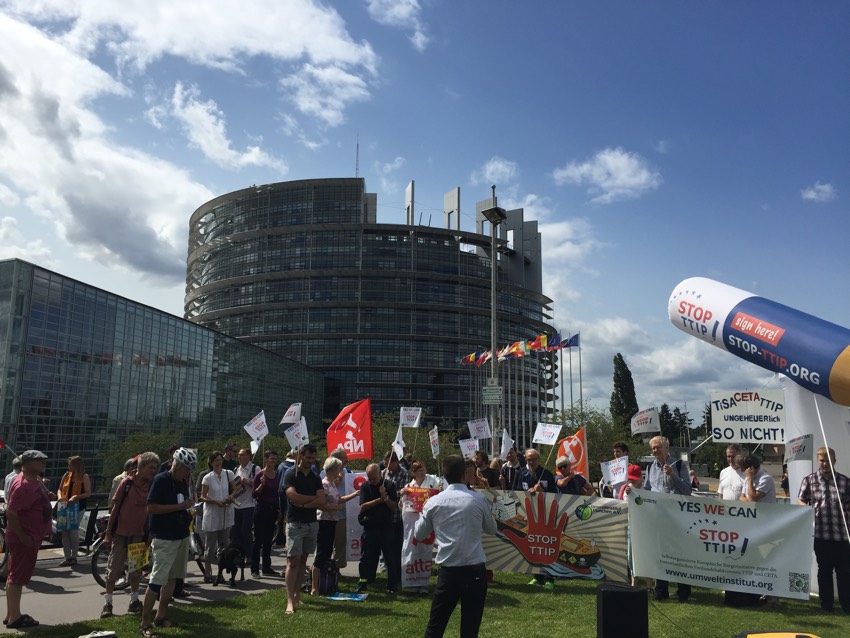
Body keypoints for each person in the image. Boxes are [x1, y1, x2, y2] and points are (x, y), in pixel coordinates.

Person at [414, 455, 497, 638]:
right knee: (470, 628)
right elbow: (492, 529)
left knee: (436, 625)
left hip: (449, 572)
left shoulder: (434, 502)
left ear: (444, 474)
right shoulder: (478, 499)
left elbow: (419, 534)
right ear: (465, 473)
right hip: (474, 570)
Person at [139, 447, 197, 637]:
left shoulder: (181, 482)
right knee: (156, 580)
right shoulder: (161, 480)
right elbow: (152, 508)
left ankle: (161, 615)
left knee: (173, 578)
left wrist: (187, 508)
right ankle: (145, 622)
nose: (188, 474)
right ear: (177, 465)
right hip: (164, 538)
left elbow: (181, 502)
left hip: (180, 536)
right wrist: (179, 506)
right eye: (186, 469)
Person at [101, 451, 159, 618]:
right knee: (113, 570)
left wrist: (150, 533)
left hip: (140, 535)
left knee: (135, 571)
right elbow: (115, 509)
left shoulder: (151, 485)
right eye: (150, 468)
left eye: (155, 468)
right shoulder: (126, 484)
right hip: (121, 534)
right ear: (140, 467)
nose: (153, 471)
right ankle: (108, 603)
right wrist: (108, 533)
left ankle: (134, 601)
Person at [797, 447, 850, 614]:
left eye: (828, 460)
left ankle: (846, 605)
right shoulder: (809, 480)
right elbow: (800, 500)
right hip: (820, 536)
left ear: (834, 461)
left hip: (842, 536)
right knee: (824, 571)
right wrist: (807, 510)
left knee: (845, 573)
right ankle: (826, 605)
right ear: (818, 460)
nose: (825, 463)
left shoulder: (845, 481)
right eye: (822, 460)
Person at [4, 449, 52, 629]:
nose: (43, 464)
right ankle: (15, 617)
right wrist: (23, 536)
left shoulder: (34, 481)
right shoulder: (23, 484)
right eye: (40, 461)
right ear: (29, 463)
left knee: (14, 575)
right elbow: (11, 512)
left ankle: (11, 614)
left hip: (30, 536)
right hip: (25, 538)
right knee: (17, 577)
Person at [641, 435, 692, 602]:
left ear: (667, 448)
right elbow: (647, 490)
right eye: (653, 448)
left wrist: (672, 475)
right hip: (658, 518)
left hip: (676, 518)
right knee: (660, 554)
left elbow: (687, 490)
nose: (655, 451)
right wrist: (633, 492)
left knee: (679, 555)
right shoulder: (650, 468)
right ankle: (660, 591)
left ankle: (683, 592)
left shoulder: (678, 465)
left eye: (658, 447)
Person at [283, 444, 324, 614]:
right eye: (308, 457)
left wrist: (305, 504)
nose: (311, 461)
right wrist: (313, 498)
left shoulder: (315, 477)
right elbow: (292, 495)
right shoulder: (291, 474)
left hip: (311, 522)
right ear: (300, 456)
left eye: (313, 458)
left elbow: (322, 500)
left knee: (303, 561)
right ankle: (290, 600)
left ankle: (298, 595)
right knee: (293, 561)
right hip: (295, 523)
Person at [311, 456, 357, 595]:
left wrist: (354, 494)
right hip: (324, 521)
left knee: (326, 554)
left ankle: (324, 582)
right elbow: (321, 504)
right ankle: (314, 586)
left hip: (332, 522)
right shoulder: (324, 484)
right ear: (334, 469)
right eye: (339, 468)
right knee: (321, 554)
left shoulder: (332, 484)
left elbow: (339, 499)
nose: (341, 471)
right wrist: (336, 508)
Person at [356, 463, 400, 594]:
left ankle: (392, 585)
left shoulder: (390, 485)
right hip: (370, 527)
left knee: (389, 557)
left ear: (379, 474)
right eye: (369, 478)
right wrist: (379, 500)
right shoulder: (365, 486)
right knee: (366, 557)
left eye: (373, 478)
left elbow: (393, 506)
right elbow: (362, 506)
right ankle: (364, 581)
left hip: (386, 527)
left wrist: (385, 497)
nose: (371, 481)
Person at [519, 448, 556, 589]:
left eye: (534, 459)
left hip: (546, 516)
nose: (532, 461)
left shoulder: (547, 474)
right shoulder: (523, 475)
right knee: (535, 546)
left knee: (547, 547)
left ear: (539, 459)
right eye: (529, 459)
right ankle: (537, 577)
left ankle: (549, 579)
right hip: (530, 516)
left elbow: (556, 495)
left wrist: (542, 492)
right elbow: (517, 493)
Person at [200, 450, 236, 582]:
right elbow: (203, 496)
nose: (218, 463)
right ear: (211, 462)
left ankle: (220, 572)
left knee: (224, 545)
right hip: (212, 514)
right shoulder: (207, 477)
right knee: (210, 545)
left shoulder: (228, 473)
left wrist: (231, 497)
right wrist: (215, 501)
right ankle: (208, 572)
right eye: (216, 461)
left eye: (220, 460)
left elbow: (236, 488)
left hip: (226, 513)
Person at [56, 455, 92, 567]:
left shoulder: (84, 476)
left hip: (78, 506)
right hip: (64, 505)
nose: (69, 467)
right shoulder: (66, 475)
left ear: (76, 465)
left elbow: (88, 493)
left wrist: (76, 497)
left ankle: (74, 557)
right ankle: (67, 557)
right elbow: (60, 489)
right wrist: (59, 497)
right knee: (64, 531)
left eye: (70, 464)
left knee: (73, 530)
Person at [251, 450, 280, 577]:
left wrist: (279, 510)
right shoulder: (259, 475)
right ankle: (254, 568)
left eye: (275, 459)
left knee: (268, 541)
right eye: (271, 459)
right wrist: (261, 485)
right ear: (266, 459)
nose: (273, 461)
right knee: (258, 541)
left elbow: (277, 494)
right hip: (261, 509)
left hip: (272, 510)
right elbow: (254, 494)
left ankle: (267, 567)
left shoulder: (277, 475)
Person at [383, 452, 408, 590]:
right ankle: (389, 573)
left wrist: (389, 495)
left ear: (396, 462)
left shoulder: (404, 474)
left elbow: (403, 491)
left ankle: (398, 574)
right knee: (387, 549)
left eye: (388, 463)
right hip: (385, 517)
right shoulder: (383, 473)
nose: (386, 466)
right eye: (385, 463)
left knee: (397, 548)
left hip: (398, 516)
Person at [230, 447, 259, 559]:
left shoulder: (254, 468)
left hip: (249, 505)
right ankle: (239, 555)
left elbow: (258, 486)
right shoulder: (236, 469)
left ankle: (249, 555)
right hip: (236, 504)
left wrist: (247, 482)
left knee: (245, 531)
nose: (239, 457)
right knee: (236, 531)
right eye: (239, 455)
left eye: (242, 454)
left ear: (248, 456)